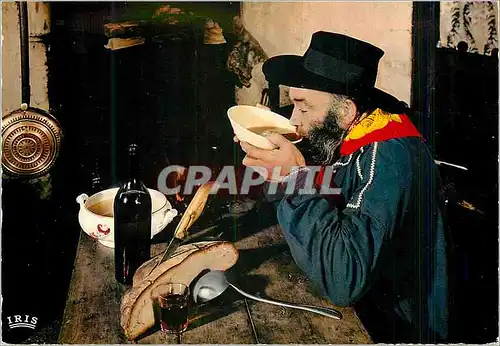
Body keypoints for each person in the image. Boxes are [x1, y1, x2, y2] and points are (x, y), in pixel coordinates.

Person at [234, 31, 449, 343]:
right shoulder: (359, 128)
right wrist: (267, 146)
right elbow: (333, 180)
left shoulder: (388, 156)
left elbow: (343, 280)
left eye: (303, 108)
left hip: (399, 326)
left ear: (346, 111)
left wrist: (296, 179)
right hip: (374, 303)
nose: (295, 120)